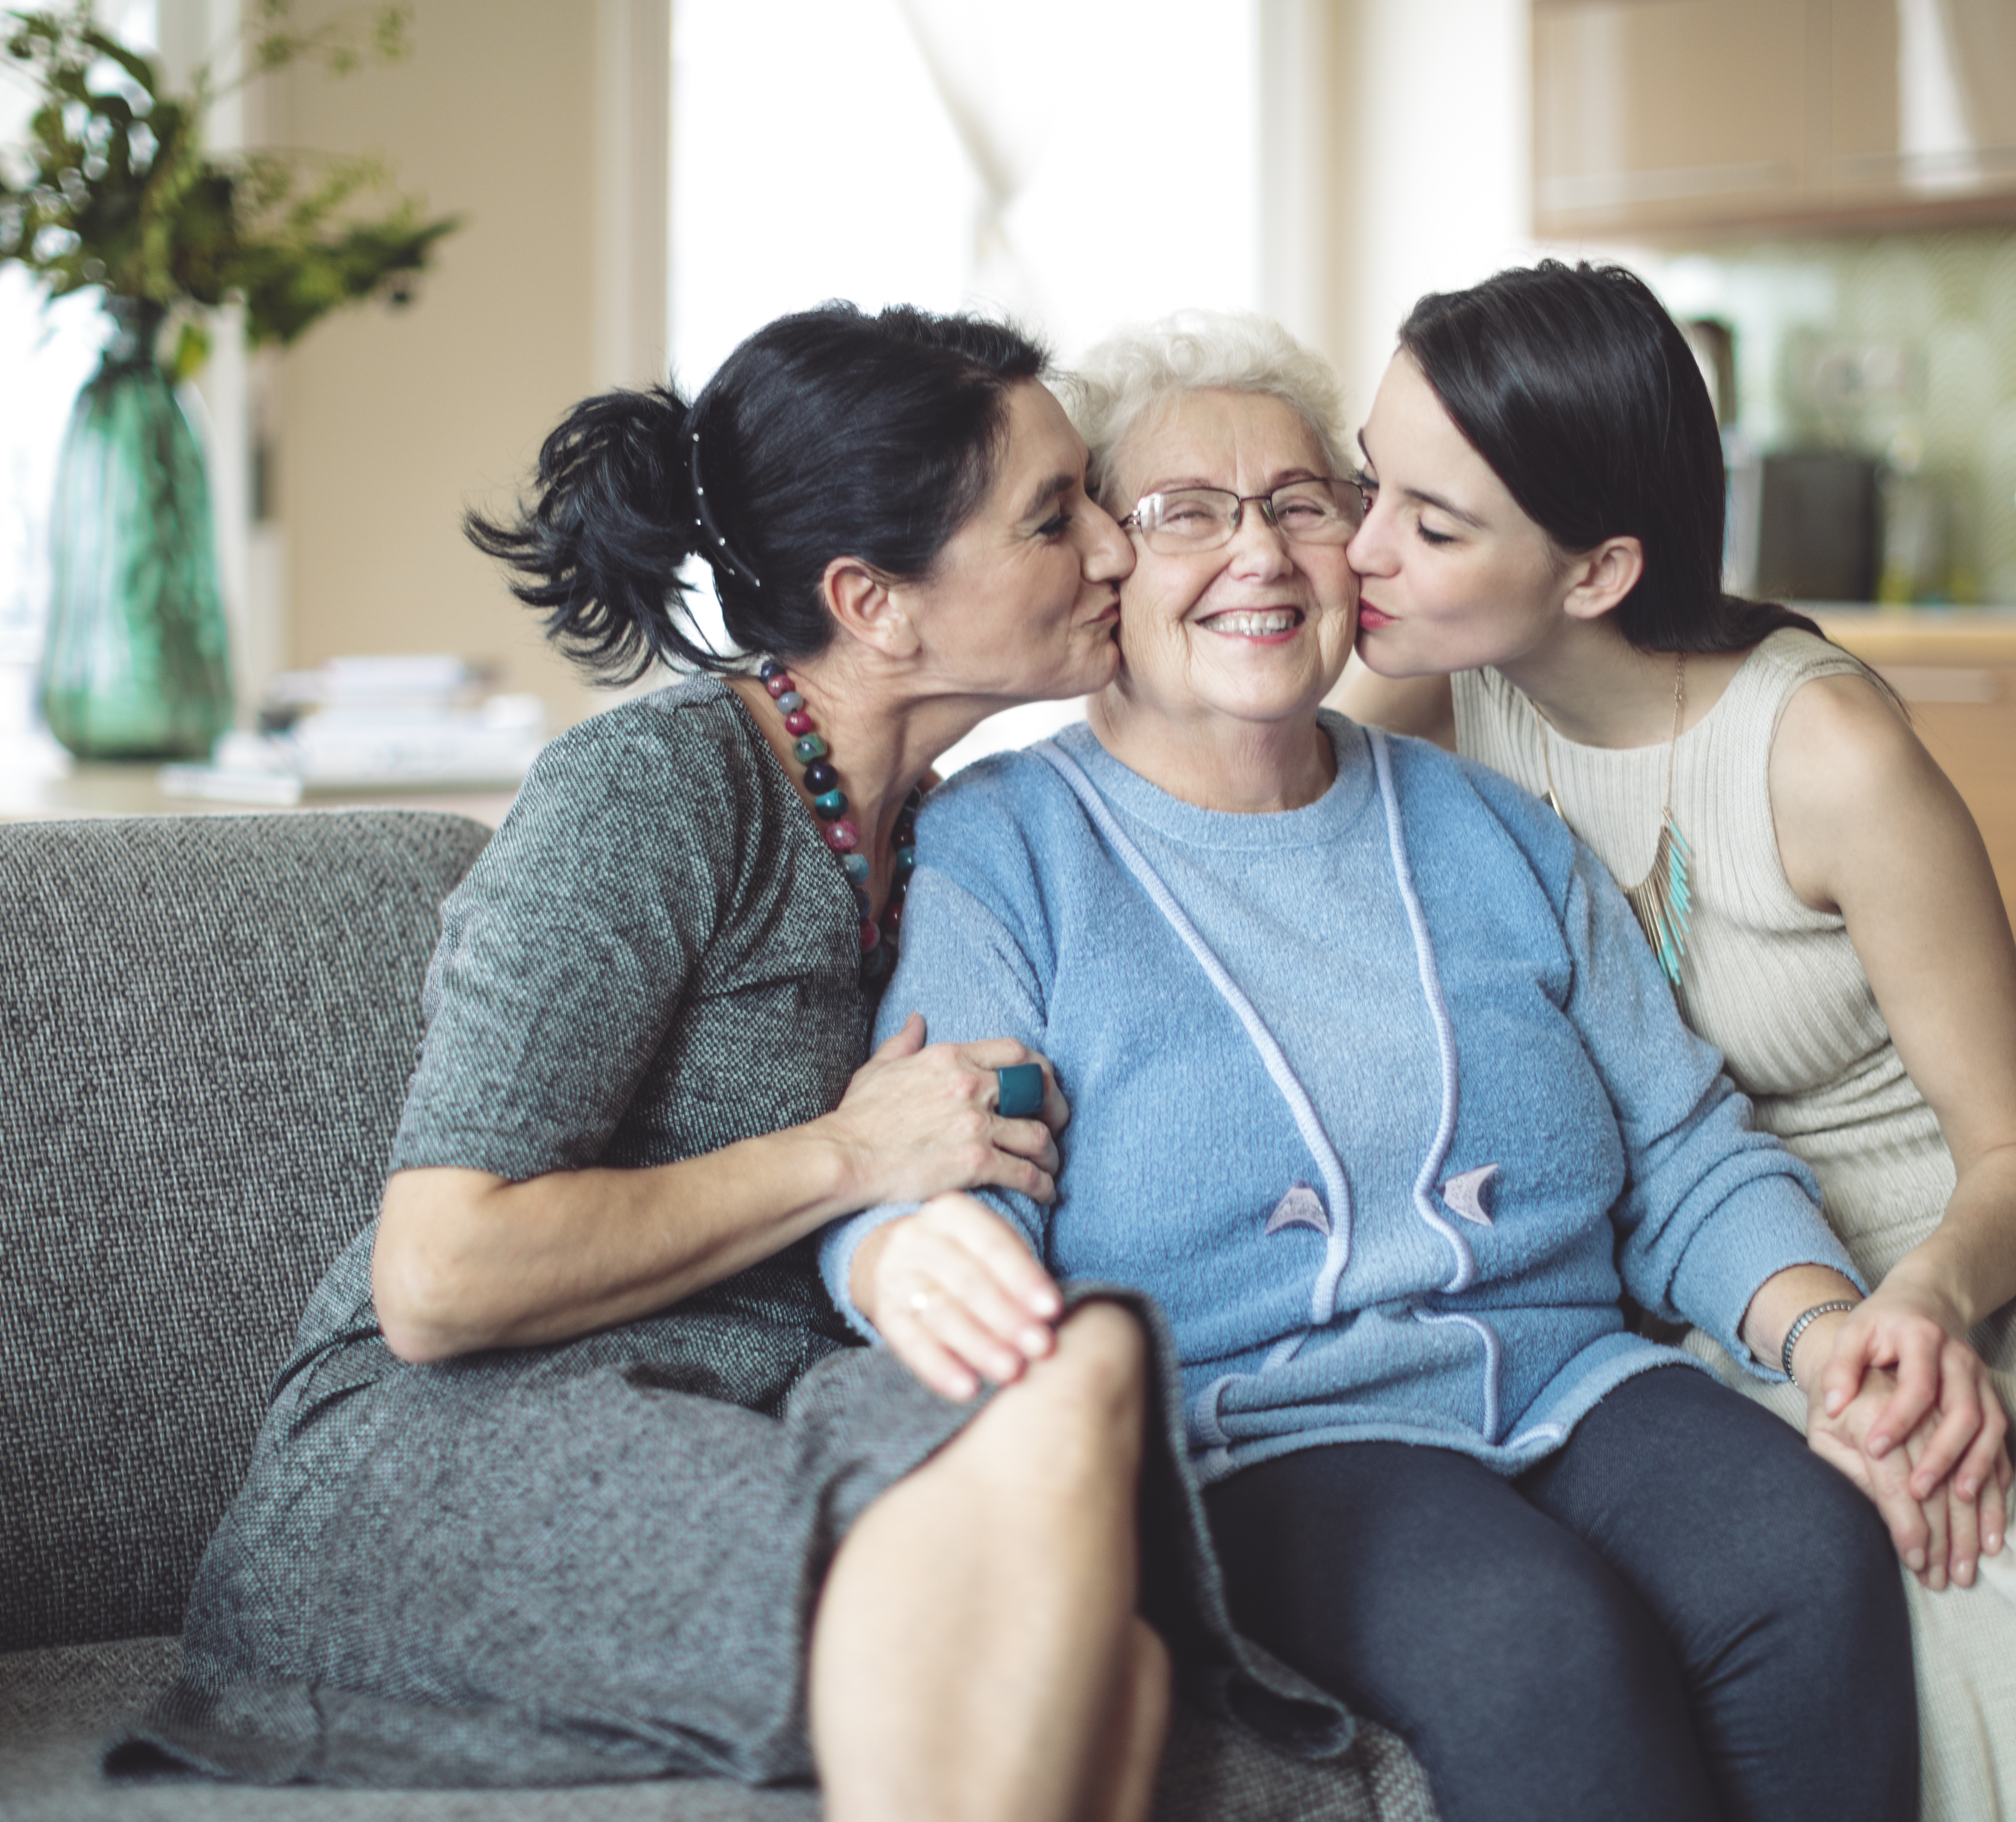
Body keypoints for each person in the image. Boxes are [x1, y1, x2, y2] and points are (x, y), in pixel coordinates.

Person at [1329, 258, 2016, 1821]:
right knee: (1854, 1568)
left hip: (1985, 1265)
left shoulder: (1827, 752)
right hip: (1724, 1301)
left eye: (1431, 528)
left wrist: (1925, 1309)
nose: (1367, 550)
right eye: (1375, 483)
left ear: (1597, 570)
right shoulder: (1439, 700)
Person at [818, 311, 1922, 1822]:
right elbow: (943, 1161)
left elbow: (1684, 1151)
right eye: (1186, 515)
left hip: (1571, 1370)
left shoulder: (1491, 828)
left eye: (1299, 504)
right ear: (1106, 567)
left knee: (1810, 1556)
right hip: (1264, 1430)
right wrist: (907, 1257)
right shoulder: (1008, 851)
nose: (1259, 554)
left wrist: (1826, 1340)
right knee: (1539, 1641)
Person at [117, 303, 1211, 1822]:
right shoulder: (653, 793)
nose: (1112, 548)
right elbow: (437, 1276)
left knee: (1095, 1381)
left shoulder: (958, 829)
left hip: (744, 1403)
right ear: (875, 604)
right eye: (1053, 518)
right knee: (1097, 1673)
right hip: (462, 1440)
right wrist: (855, 1155)